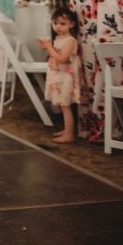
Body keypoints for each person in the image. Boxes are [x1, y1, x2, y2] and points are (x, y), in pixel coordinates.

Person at [40, 0, 123, 142]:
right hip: (85, 20)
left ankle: (112, 129)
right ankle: (90, 127)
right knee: (88, 71)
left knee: (105, 69)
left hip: (105, 19)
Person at [38, 8, 82, 144]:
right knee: (63, 105)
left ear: (71, 24)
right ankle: (67, 129)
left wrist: (49, 48)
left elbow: (62, 59)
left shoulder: (70, 41)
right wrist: (47, 47)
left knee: (65, 106)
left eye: (63, 24)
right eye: (55, 23)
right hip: (59, 76)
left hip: (65, 78)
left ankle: (69, 134)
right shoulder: (58, 38)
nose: (58, 26)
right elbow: (56, 54)